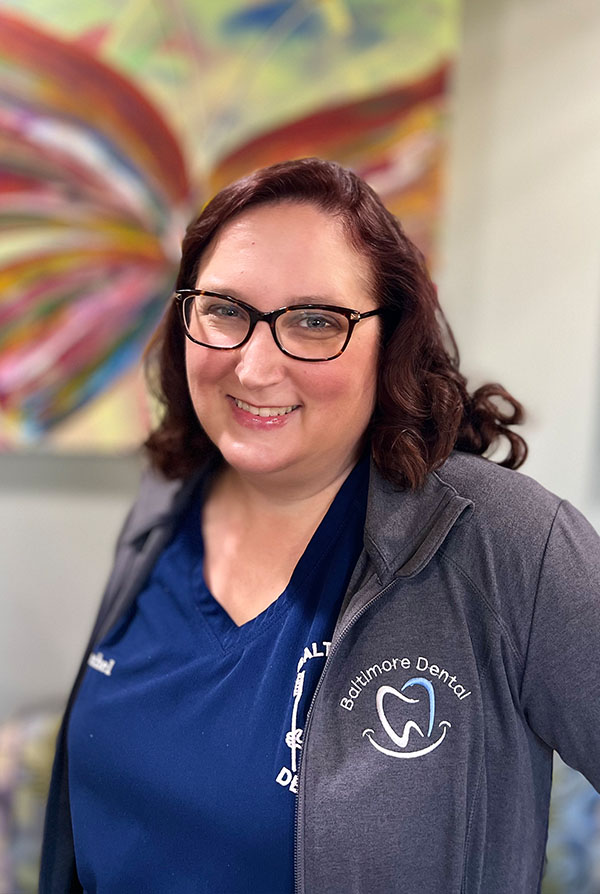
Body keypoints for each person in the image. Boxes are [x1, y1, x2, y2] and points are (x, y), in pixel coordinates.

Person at [40, 157, 600, 893]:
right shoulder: (165, 502)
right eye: (225, 309)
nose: (254, 366)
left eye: (313, 321)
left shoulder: (508, 543)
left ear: (390, 338)